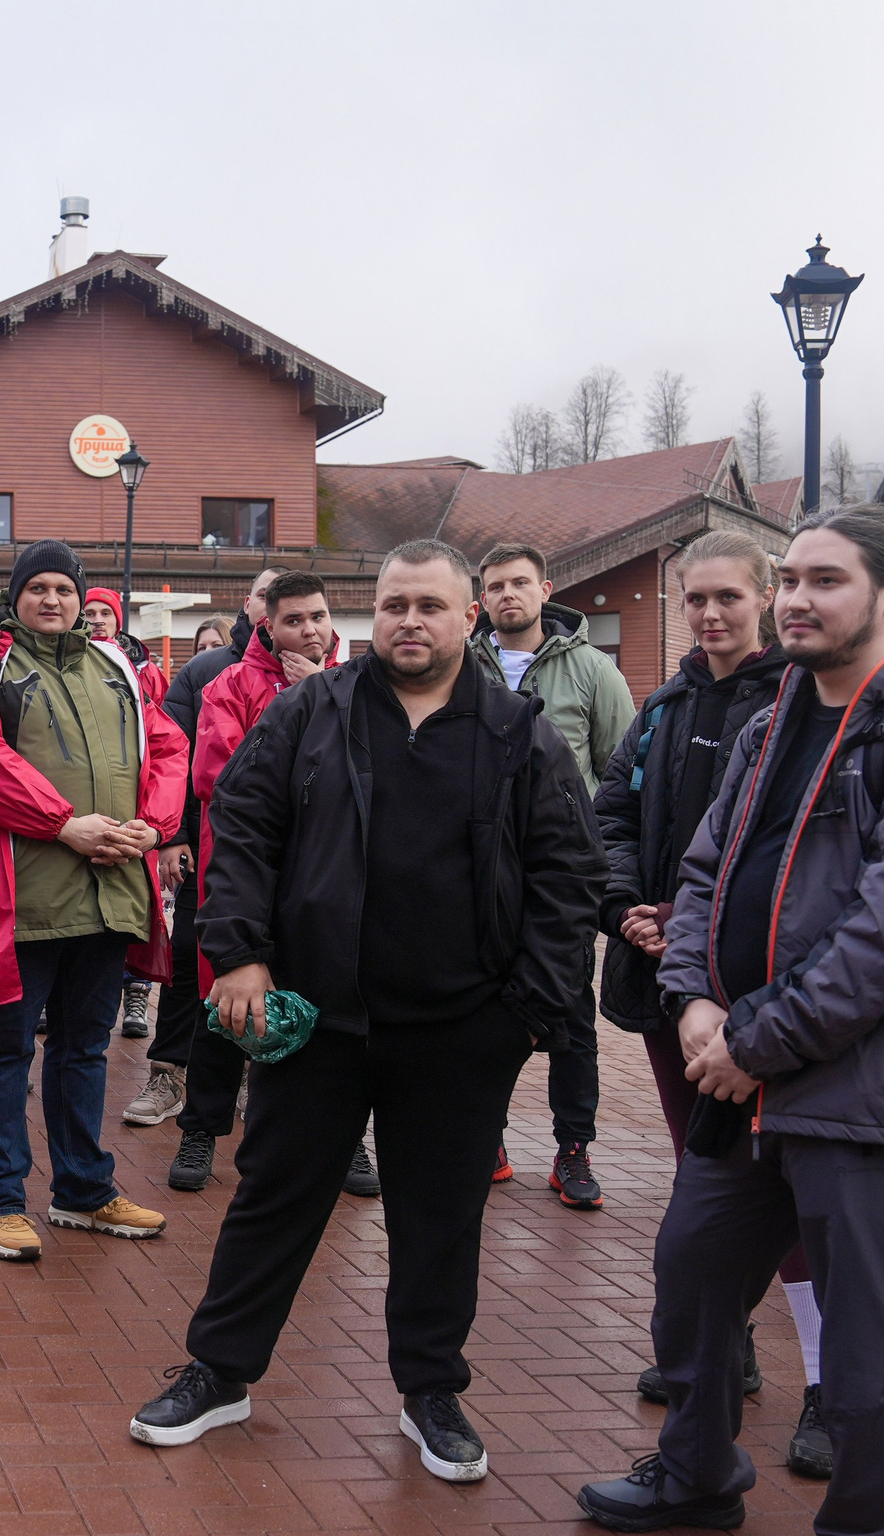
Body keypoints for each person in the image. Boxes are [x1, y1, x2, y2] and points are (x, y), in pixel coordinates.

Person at [577, 505, 884, 1536]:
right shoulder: (779, 708)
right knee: (692, 1273)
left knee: (872, 1339)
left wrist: (752, 1038)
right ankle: (696, 1469)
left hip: (868, 1087)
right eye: (789, 578)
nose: (793, 600)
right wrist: (691, 997)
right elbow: (703, 870)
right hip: (745, 1070)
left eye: (825, 580)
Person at [131, 540, 604, 1480]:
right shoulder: (313, 711)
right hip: (320, 1018)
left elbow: (568, 875)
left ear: (469, 616)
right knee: (272, 1200)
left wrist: (524, 1013)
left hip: (461, 1028)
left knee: (441, 1217)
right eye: (394, 605)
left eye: (430, 606)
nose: (409, 622)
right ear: (372, 615)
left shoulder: (518, 733)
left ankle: (432, 1391)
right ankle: (221, 1371)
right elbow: (245, 830)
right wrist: (241, 955)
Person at [591, 534, 826, 1475]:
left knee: (796, 1193)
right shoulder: (664, 706)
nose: (710, 613)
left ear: (765, 597)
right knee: (706, 1174)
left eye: (728, 595)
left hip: (769, 995)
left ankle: (828, 1387)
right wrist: (626, 907)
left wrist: (691, 924)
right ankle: (725, 1348)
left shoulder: (801, 702)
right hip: (670, 984)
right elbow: (612, 815)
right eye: (694, 598)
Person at [0, 540, 185, 1261]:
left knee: (84, 1048)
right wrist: (63, 824)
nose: (52, 599)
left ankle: (82, 1189)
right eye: (38, 587)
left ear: (82, 599)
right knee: (4, 1048)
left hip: (109, 892)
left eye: (65, 589)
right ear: (16, 595)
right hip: (20, 896)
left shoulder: (117, 667)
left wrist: (153, 825)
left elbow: (168, 747)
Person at [165, 571, 376, 1198]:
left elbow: (373, 775)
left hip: (327, 875)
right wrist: (307, 707)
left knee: (332, 1010)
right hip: (248, 872)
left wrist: (325, 698)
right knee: (227, 1006)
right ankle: (201, 1130)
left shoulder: (362, 686)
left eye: (318, 617)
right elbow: (219, 777)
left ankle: (346, 1139)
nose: (310, 630)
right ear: (269, 626)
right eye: (294, 620)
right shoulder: (230, 685)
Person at [468, 543, 635, 1207]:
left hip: (558, 876)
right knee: (480, 1011)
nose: (508, 595)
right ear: (481, 599)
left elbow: (619, 776)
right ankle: (487, 1136)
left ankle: (573, 1149)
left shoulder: (594, 671)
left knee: (570, 1017)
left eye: (520, 583)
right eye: (496, 586)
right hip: (476, 873)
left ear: (545, 590)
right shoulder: (462, 665)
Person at [127, 569, 279, 1133]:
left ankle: (254, 1078)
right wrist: (174, 836)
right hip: (204, 847)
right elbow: (176, 759)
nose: (273, 608)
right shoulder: (207, 670)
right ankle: (168, 1072)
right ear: (249, 603)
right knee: (191, 958)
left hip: (287, 860)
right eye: (265, 595)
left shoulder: (326, 676)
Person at [79, 587, 172, 1042]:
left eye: (105, 612)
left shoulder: (145, 673)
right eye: (90, 612)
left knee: (136, 910)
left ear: (119, 620)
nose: (97, 619)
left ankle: (136, 993)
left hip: (136, 818)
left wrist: (154, 825)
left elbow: (164, 743)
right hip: (82, 818)